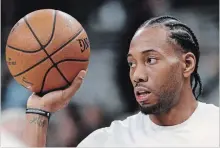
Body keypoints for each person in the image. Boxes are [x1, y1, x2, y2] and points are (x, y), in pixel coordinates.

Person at [22, 16, 219, 147]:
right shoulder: (113, 140)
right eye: (132, 64)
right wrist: (39, 111)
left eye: (150, 60)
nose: (137, 75)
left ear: (187, 64)